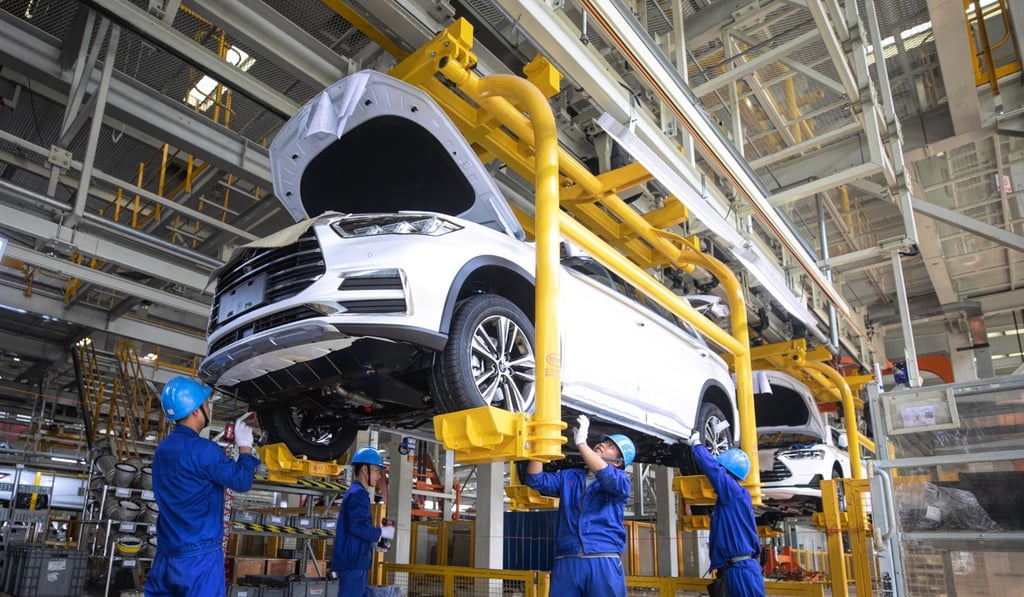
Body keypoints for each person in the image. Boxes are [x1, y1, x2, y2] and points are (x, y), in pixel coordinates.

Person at [145, 377, 260, 597]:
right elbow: (241, 481)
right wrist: (245, 448)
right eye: (206, 403)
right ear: (196, 411)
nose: (209, 407)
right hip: (199, 558)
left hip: (166, 555)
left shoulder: (163, 449)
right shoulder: (204, 450)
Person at [523, 415, 634, 597]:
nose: (603, 445)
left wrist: (582, 443)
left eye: (611, 447)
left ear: (618, 462)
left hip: (602, 558)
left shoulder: (621, 480)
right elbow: (536, 480)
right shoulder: (570, 477)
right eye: (603, 442)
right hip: (567, 558)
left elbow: (606, 476)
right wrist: (539, 447)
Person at [689, 432, 766, 597]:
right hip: (734, 570)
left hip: (741, 571)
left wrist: (697, 445)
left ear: (727, 471)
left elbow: (713, 470)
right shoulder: (731, 499)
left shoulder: (735, 492)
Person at [332, 446, 395, 596]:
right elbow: (357, 526)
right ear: (364, 470)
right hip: (352, 563)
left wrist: (375, 541)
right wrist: (382, 532)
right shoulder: (358, 494)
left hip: (354, 562)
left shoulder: (357, 493)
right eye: (376, 471)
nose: (379, 476)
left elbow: (357, 527)